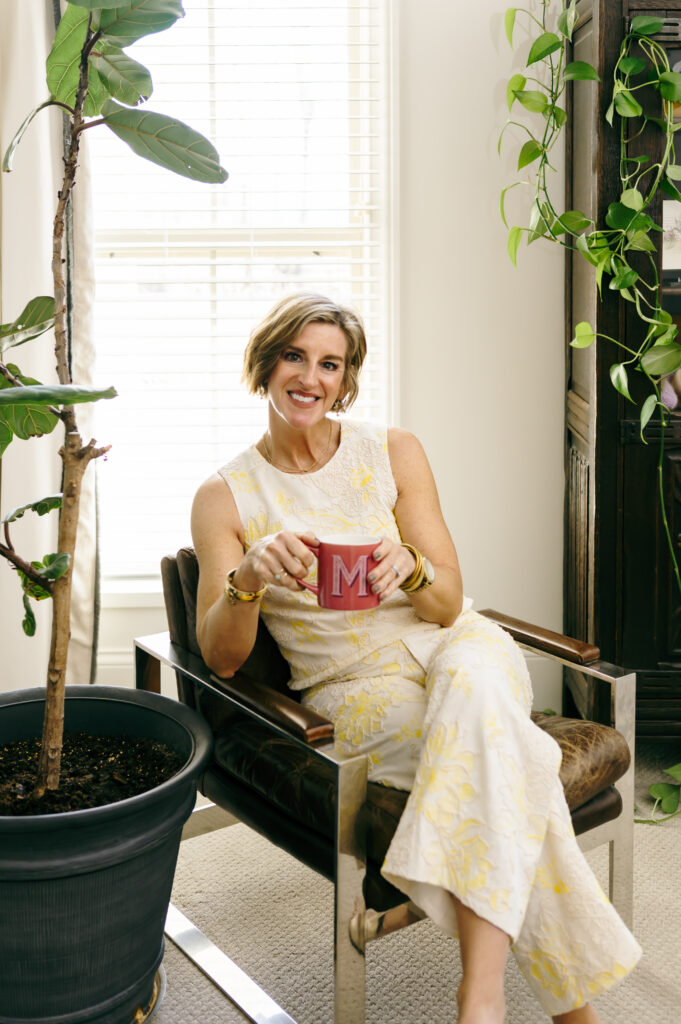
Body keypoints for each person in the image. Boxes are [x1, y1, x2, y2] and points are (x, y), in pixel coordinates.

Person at [191, 293, 641, 1024]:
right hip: (356, 686)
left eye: (329, 363)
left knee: (480, 706)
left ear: (347, 379)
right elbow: (222, 657)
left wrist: (413, 567)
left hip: (457, 643)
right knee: (514, 756)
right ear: (265, 363)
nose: (310, 376)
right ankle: (556, 1010)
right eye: (294, 356)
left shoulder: (392, 449)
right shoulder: (225, 496)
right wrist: (247, 579)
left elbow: (448, 599)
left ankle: (480, 992)